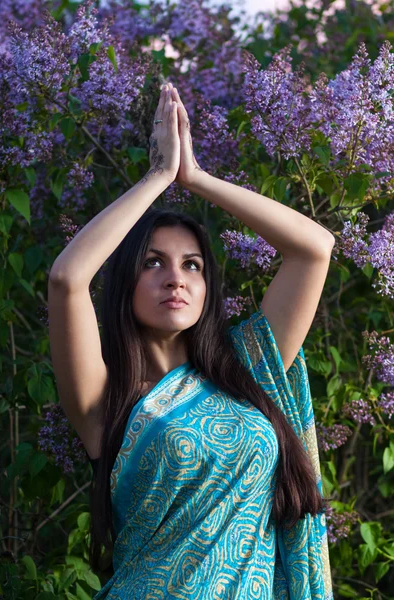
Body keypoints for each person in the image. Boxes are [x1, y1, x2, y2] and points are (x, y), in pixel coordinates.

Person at [48, 82, 334, 599]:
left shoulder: (247, 369)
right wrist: (158, 178)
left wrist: (196, 178)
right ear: (127, 281)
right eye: (153, 262)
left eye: (192, 265)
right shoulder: (109, 400)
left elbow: (314, 249)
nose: (175, 278)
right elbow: (68, 278)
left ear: (207, 287)